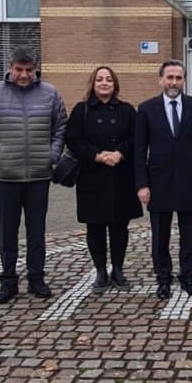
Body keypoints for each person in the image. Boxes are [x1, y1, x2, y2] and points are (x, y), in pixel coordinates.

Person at [0, 45, 67, 304]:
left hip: (38, 176)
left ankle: (36, 278)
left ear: (36, 70)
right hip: (6, 177)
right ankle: (8, 281)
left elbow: (60, 128)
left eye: (29, 70)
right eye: (19, 70)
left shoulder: (50, 93)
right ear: (10, 68)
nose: (24, 75)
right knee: (7, 232)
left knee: (37, 232)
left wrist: (51, 155)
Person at [135, 59, 192, 299]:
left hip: (190, 180)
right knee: (160, 235)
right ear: (160, 80)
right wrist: (142, 184)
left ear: (184, 80)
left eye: (178, 78)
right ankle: (163, 278)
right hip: (158, 181)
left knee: (189, 234)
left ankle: (187, 277)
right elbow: (139, 150)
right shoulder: (146, 109)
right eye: (169, 77)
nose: (174, 82)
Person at [65, 66, 142, 294]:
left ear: (115, 84)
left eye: (108, 79)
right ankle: (100, 270)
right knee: (95, 226)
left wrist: (120, 153)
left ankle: (118, 269)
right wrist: (97, 155)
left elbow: (137, 137)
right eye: (100, 79)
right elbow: (73, 139)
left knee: (120, 226)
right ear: (93, 83)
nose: (104, 83)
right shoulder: (81, 110)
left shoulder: (127, 110)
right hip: (92, 176)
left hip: (121, 176)